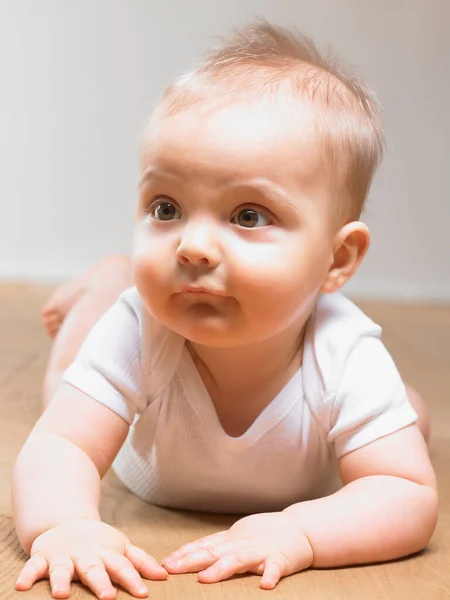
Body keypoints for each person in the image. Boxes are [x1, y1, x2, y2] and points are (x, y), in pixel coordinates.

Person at [12, 20, 437, 600]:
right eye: (166, 208)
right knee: (64, 377)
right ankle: (101, 285)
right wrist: (65, 526)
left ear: (337, 259)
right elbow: (61, 446)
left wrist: (302, 529)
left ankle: (394, 411)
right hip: (146, 452)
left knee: (405, 425)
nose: (190, 246)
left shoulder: (345, 348)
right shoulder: (143, 323)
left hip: (299, 459)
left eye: (248, 216)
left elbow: (405, 492)